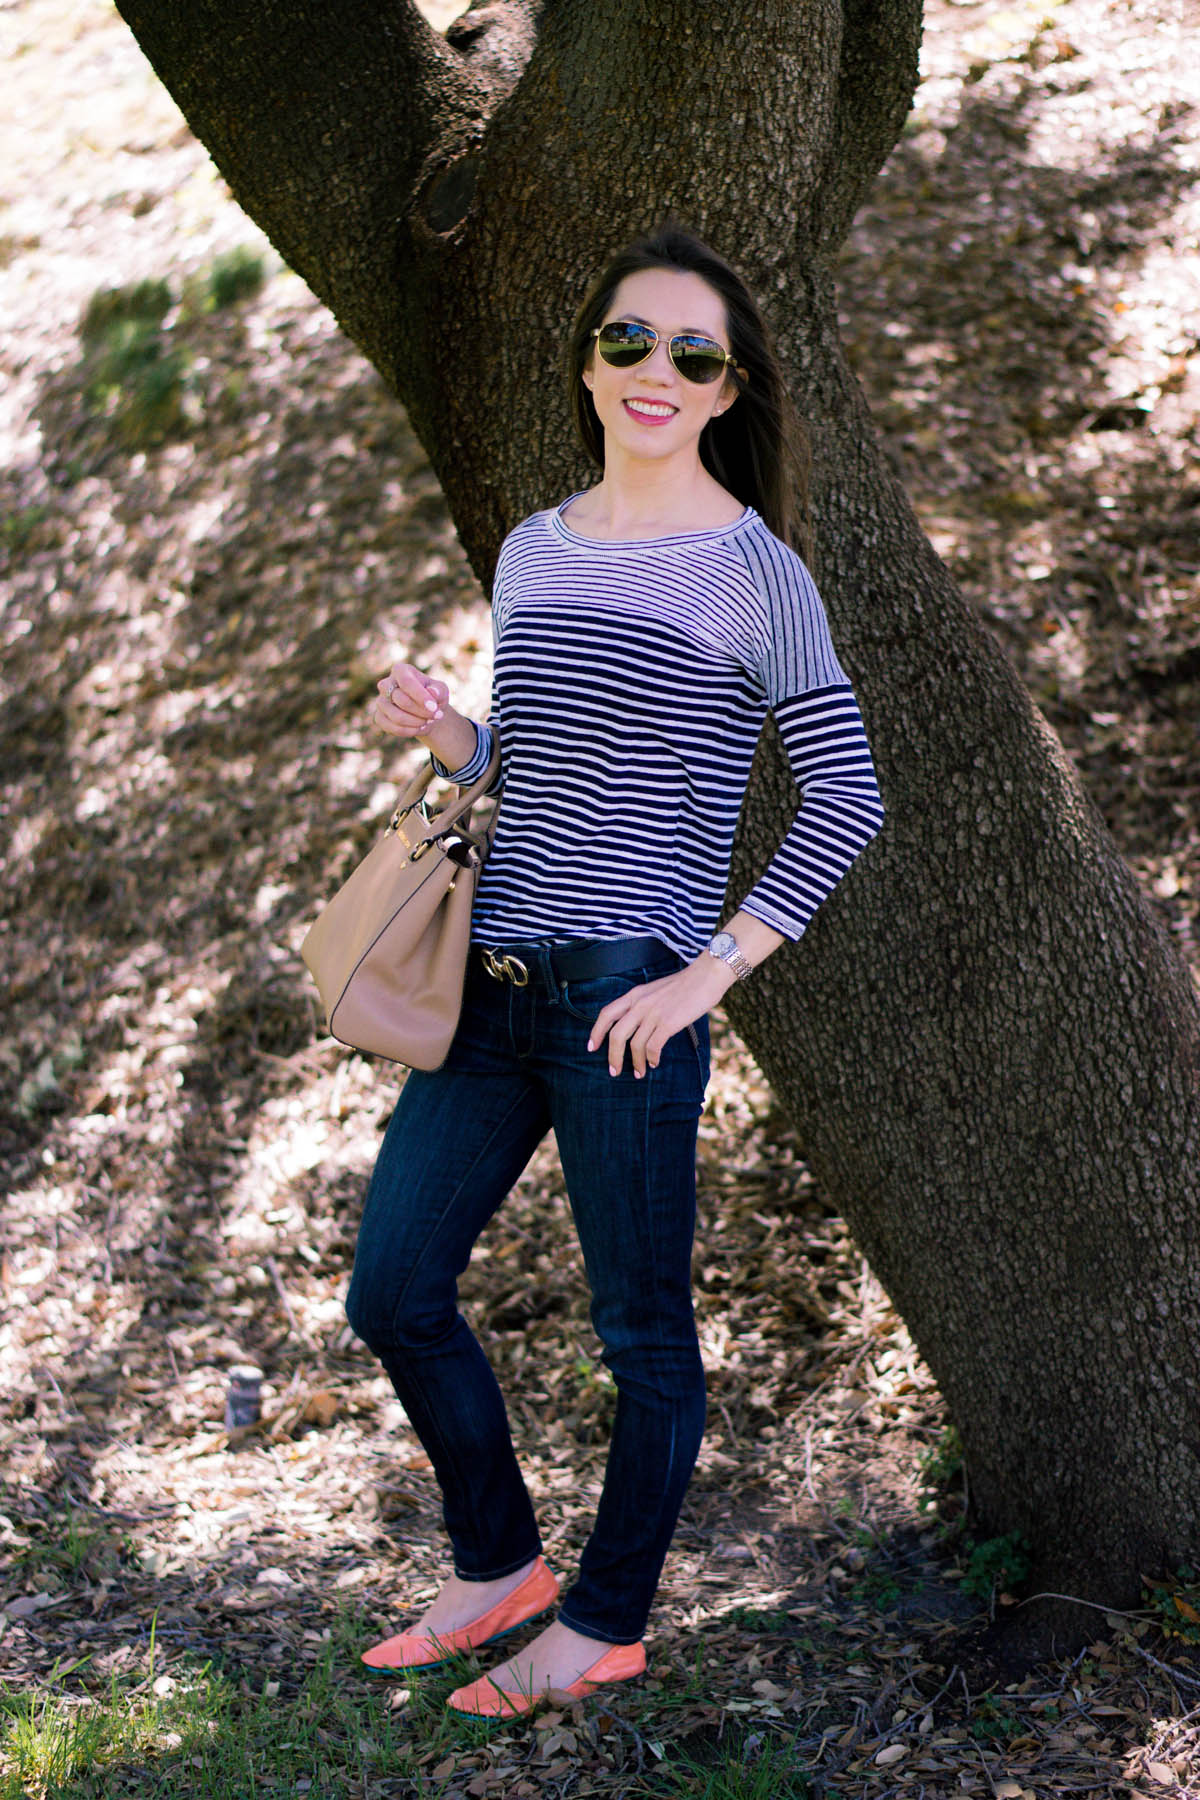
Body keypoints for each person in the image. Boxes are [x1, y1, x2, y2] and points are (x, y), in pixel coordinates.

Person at [344, 225, 884, 1719]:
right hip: (495, 989)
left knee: (641, 1335)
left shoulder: (752, 571)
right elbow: (549, 767)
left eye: (693, 355)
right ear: (591, 362)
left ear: (727, 391)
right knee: (391, 1292)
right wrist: (454, 736)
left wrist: (707, 973)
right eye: (632, 342)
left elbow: (845, 793)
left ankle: (605, 1621)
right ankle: (496, 1569)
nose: (658, 371)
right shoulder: (535, 545)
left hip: (625, 1005)